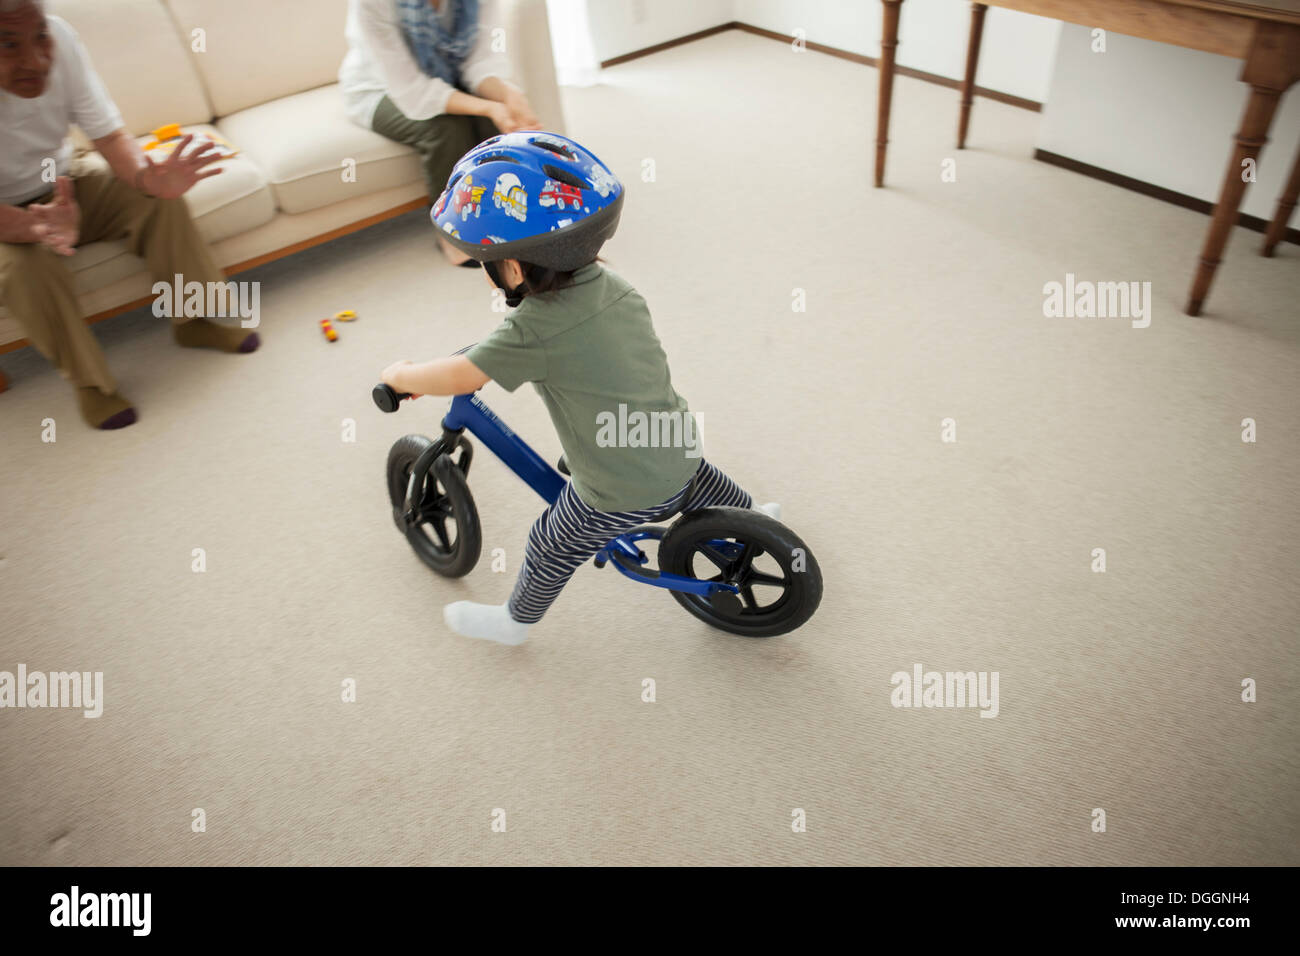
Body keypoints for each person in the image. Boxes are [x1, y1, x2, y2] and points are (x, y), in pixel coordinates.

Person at [380, 132, 779, 645]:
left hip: (619, 491)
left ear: (515, 267)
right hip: (674, 441)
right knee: (692, 475)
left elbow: (462, 376)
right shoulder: (618, 288)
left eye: (487, 263)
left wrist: (402, 375)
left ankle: (514, 623)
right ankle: (751, 520)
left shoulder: (530, 332)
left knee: (551, 540)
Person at [0, 0, 260, 430]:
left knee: (159, 203)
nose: (36, 59)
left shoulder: (61, 36)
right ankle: (91, 385)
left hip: (66, 178)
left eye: (39, 36)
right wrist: (32, 226)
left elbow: (106, 132)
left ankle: (193, 319)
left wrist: (147, 179)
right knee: (30, 271)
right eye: (7, 43)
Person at [340, 0, 541, 265]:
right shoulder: (371, 4)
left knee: (496, 124)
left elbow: (479, 61)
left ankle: (511, 214)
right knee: (446, 128)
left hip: (449, 74)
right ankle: (451, 232)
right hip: (380, 88)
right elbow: (412, 91)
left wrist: (507, 96)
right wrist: (489, 107)